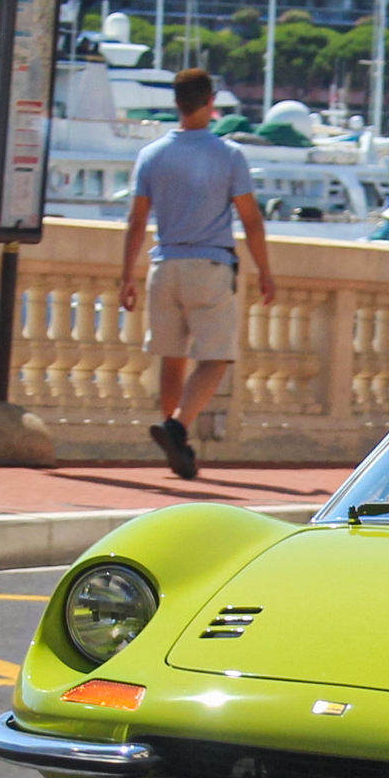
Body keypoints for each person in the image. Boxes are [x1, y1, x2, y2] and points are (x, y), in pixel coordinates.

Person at [118, 67, 277, 479]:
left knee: (172, 358)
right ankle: (177, 426)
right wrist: (264, 269)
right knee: (216, 357)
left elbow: (137, 221)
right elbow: (251, 220)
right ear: (211, 103)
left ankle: (177, 445)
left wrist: (125, 275)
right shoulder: (228, 155)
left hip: (164, 264)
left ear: (176, 103)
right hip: (209, 265)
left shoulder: (151, 155)